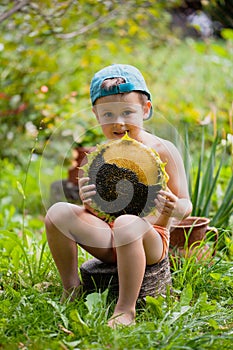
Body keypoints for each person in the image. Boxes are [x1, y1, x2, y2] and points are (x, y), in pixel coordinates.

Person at [45, 64, 192, 328]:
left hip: (151, 241)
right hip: (110, 238)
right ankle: (71, 288)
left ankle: (126, 309)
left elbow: (186, 206)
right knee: (57, 213)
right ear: (96, 115)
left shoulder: (164, 150)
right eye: (108, 114)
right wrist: (88, 201)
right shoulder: (99, 157)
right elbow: (99, 211)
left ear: (145, 110)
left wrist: (173, 207)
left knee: (127, 223)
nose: (119, 122)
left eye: (128, 112)